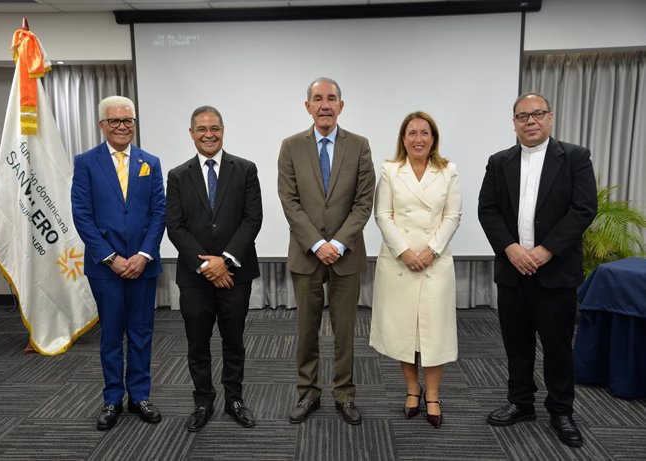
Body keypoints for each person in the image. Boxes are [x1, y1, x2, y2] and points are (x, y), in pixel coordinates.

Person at [478, 93, 597, 447]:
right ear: (514, 123)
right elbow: (488, 210)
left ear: (550, 118)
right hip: (513, 270)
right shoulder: (499, 162)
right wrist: (511, 249)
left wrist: (546, 251)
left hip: (555, 271)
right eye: (522, 116)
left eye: (537, 114)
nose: (530, 121)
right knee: (517, 343)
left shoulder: (575, 158)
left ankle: (561, 410)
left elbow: (583, 209)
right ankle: (521, 403)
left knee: (558, 345)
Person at [278, 77, 375, 425]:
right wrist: (318, 244)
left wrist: (338, 243)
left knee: (345, 331)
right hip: (306, 254)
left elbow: (364, 203)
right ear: (307, 106)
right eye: (317, 99)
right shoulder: (291, 146)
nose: (325, 105)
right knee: (306, 329)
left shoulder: (360, 145)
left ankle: (345, 394)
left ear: (341, 105)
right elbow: (289, 201)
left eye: (331, 98)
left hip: (346, 255)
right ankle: (308, 393)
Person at [71, 95, 166, 431]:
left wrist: (142, 255)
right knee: (111, 335)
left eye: (129, 120)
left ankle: (139, 396)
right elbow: (82, 216)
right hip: (105, 269)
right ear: (102, 125)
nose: (123, 126)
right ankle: (112, 399)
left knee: (141, 333)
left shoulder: (149, 162)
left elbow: (158, 213)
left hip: (144, 265)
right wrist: (111, 258)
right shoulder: (85, 163)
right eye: (115, 121)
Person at [165, 106, 262, 432]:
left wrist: (226, 260)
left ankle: (235, 399)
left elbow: (252, 219)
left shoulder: (245, 169)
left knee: (234, 341)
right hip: (195, 278)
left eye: (215, 128)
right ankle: (203, 401)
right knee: (197, 343)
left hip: (236, 273)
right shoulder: (178, 175)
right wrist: (207, 264)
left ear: (223, 130)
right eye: (202, 128)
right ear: (191, 133)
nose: (209, 134)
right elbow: (175, 227)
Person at [370, 111, 461, 429]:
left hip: (435, 263)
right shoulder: (390, 170)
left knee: (434, 332)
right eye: (412, 133)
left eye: (425, 133)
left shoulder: (448, 170)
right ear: (403, 139)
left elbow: (453, 216)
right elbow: (382, 215)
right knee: (403, 331)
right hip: (399, 262)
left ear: (433, 138)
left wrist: (431, 251)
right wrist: (405, 251)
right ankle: (412, 390)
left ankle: (433, 395)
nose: (418, 138)